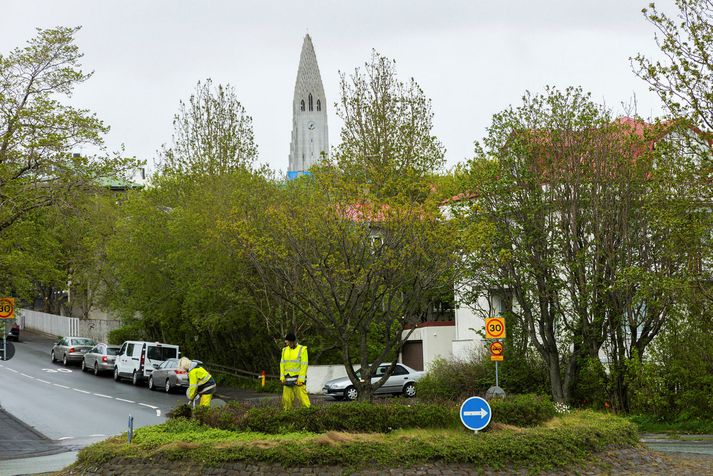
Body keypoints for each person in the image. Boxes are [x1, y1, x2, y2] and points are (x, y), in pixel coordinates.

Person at [280, 332, 310, 410]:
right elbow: (282, 364)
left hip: (298, 380)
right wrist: (282, 376)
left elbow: (304, 365)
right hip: (287, 380)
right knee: (287, 401)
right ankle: (288, 417)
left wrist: (301, 379)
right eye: (286, 342)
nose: (287, 344)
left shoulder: (302, 349)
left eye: (288, 342)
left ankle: (310, 415)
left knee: (304, 401)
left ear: (293, 341)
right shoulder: (284, 350)